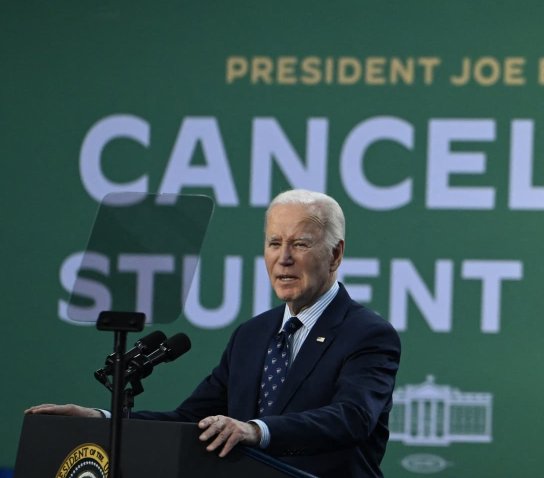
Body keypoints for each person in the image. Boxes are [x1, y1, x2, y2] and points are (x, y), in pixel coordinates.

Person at [26, 189, 402, 477]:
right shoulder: (252, 335)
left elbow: (351, 418)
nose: (283, 258)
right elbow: (190, 421)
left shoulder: (367, 334)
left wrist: (256, 430)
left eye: (300, 244)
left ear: (335, 255)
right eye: (274, 243)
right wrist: (101, 420)